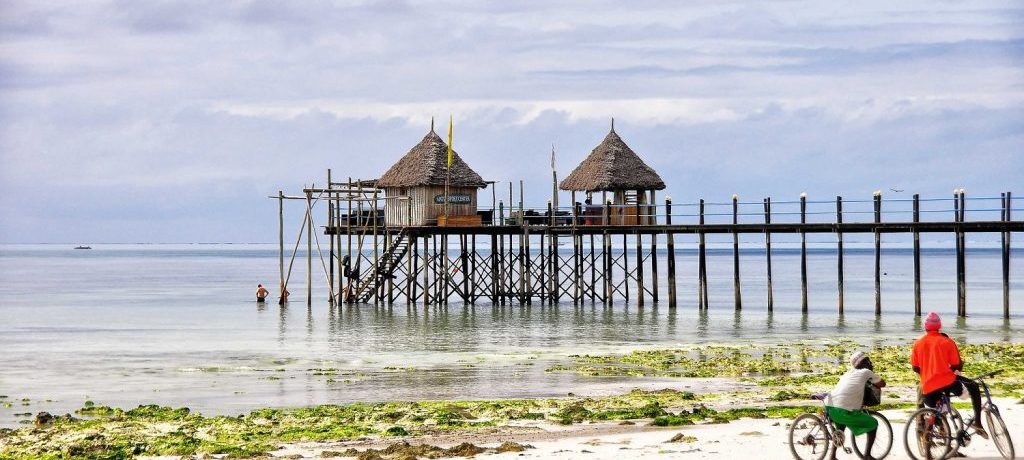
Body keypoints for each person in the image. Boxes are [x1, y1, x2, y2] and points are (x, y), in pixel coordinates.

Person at [910, 311, 987, 439]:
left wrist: (927, 374)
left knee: (936, 409)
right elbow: (957, 364)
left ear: (925, 327)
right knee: (973, 386)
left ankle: (925, 427)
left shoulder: (918, 343)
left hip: (928, 387)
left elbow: (915, 367)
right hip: (947, 383)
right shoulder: (947, 342)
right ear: (939, 326)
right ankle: (978, 422)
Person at [825, 351, 886, 460]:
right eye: (867, 361)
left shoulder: (848, 373)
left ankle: (832, 456)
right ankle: (867, 455)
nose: (870, 363)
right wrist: (872, 380)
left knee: (840, 428)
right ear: (860, 364)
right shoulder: (866, 372)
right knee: (873, 423)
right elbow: (882, 383)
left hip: (830, 407)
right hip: (843, 411)